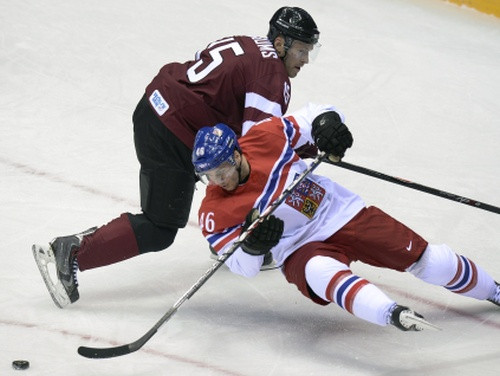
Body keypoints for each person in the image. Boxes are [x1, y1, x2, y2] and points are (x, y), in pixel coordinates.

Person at [32, 7, 321, 308]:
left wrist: (300, 145)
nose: (305, 60)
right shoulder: (271, 76)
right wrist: (305, 148)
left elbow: (232, 112)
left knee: (225, 161)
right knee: (161, 226)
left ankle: (228, 237)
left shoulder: (248, 44)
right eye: (301, 51)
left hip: (156, 109)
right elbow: (259, 148)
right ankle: (74, 251)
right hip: (173, 132)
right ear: (280, 44)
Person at [192, 103, 500, 331]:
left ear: (235, 154)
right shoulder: (213, 212)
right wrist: (252, 248)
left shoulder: (265, 137)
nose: (217, 181)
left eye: (221, 172)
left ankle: (494, 291)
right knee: (319, 271)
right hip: (299, 248)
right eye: (208, 176)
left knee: (432, 261)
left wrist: (328, 124)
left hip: (343, 213)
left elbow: (316, 114)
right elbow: (241, 268)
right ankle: (390, 313)